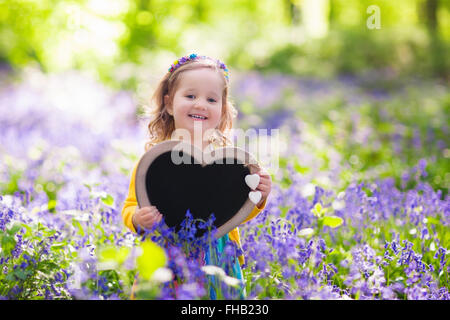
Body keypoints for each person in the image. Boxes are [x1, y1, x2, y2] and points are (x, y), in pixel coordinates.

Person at [121, 53, 272, 299]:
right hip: (167, 256)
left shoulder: (228, 162)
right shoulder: (154, 161)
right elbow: (130, 205)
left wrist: (260, 196)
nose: (200, 104)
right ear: (169, 104)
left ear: (222, 110)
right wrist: (138, 219)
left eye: (211, 99)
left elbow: (235, 210)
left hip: (217, 258)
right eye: (190, 96)